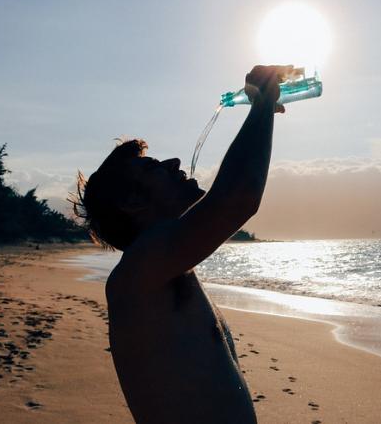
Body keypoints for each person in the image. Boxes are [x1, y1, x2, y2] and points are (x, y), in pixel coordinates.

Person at [72, 65, 291, 423]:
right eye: (152, 167)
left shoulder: (165, 269)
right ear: (133, 203)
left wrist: (262, 108)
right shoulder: (138, 273)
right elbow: (238, 198)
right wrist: (263, 104)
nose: (174, 161)